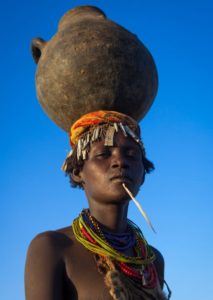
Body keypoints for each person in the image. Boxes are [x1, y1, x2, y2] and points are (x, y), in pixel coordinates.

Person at [25, 110, 171, 299]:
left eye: (131, 155)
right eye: (103, 154)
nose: (120, 161)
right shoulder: (52, 247)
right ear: (78, 172)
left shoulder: (152, 260)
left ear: (143, 175)